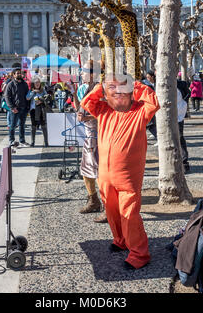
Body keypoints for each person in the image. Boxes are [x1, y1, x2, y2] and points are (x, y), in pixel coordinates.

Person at [81, 74, 160, 270]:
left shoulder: (141, 112)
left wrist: (136, 84)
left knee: (130, 215)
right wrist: (101, 85)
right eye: (113, 90)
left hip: (128, 177)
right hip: (106, 175)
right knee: (112, 212)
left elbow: (154, 102)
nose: (118, 94)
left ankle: (139, 254)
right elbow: (86, 102)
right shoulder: (104, 111)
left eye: (123, 90)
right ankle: (120, 240)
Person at [68, 61, 107, 223]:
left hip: (99, 135)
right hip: (88, 134)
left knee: (99, 173)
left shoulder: (101, 89)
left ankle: (107, 207)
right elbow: (80, 109)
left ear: (92, 74)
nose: (80, 73)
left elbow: (107, 113)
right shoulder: (85, 88)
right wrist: (74, 93)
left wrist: (87, 117)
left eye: (83, 71)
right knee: (85, 170)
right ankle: (94, 200)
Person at [5, 68, 29, 147]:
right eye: (17, 73)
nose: (19, 74)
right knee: (13, 125)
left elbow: (27, 96)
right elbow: (7, 97)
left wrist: (27, 107)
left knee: (22, 125)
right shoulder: (10, 84)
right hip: (15, 108)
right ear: (14, 75)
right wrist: (12, 107)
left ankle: (22, 141)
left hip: (24, 108)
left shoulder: (24, 84)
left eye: (20, 73)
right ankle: (11, 140)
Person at [27, 77, 48, 147]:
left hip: (41, 110)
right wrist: (33, 92)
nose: (37, 84)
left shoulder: (43, 90)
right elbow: (27, 98)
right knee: (33, 126)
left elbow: (47, 97)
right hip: (33, 110)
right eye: (36, 82)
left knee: (43, 126)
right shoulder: (31, 90)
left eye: (38, 82)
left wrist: (41, 101)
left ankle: (46, 142)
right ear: (33, 84)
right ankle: (32, 142)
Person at [142, 70, 157, 144]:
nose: (148, 78)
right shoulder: (146, 84)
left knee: (150, 126)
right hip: (147, 108)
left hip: (148, 108)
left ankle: (160, 139)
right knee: (145, 126)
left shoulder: (146, 85)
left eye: (149, 77)